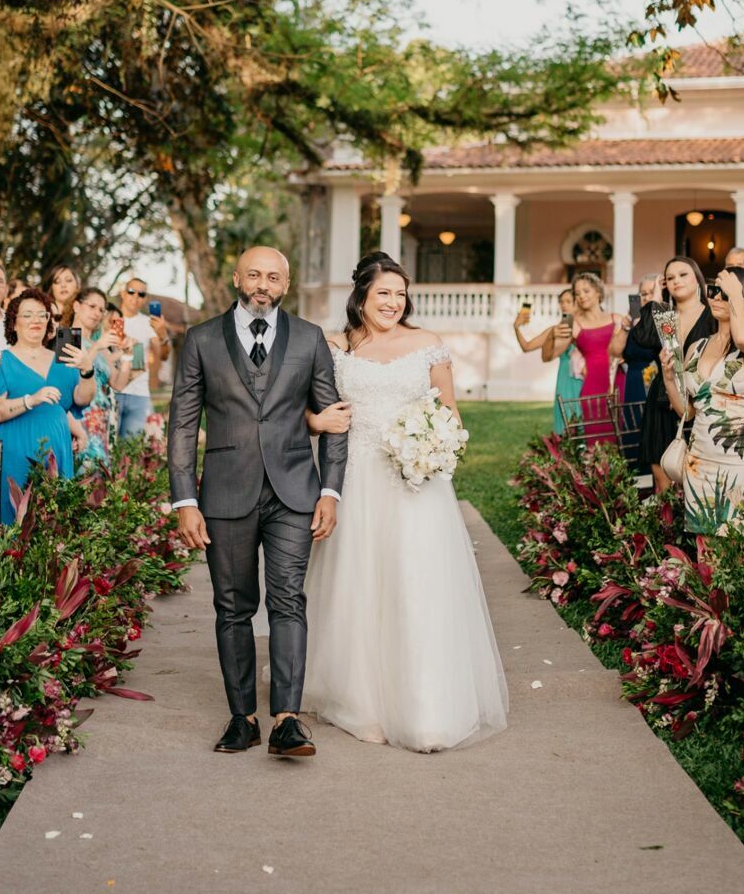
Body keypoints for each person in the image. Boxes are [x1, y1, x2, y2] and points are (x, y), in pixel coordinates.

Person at [302, 253, 507, 752]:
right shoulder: (333, 345)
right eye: (383, 293)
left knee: (418, 583)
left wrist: (434, 445)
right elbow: (303, 407)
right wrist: (314, 422)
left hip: (417, 482)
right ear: (362, 297)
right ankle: (361, 702)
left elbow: (450, 413)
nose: (393, 303)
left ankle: (427, 708)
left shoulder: (427, 345)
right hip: (356, 479)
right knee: (361, 584)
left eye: (400, 294)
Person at [168, 246, 346, 759]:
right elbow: (183, 424)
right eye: (254, 274)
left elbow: (333, 418)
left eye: (273, 276)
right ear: (236, 278)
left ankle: (286, 720)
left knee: (288, 601)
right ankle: (242, 717)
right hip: (224, 492)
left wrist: (330, 490)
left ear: (285, 285)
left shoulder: (310, 339)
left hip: (294, 491)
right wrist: (184, 499)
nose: (262, 283)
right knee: (233, 606)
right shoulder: (201, 339)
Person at [666, 266, 744, 534]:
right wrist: (669, 377)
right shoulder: (698, 347)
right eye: (714, 291)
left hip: (742, 463)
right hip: (699, 462)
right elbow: (688, 412)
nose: (716, 298)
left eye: (723, 293)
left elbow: (743, 338)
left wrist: (735, 295)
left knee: (738, 557)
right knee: (706, 558)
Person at [0, 288, 90, 516]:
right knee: (15, 523)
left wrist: (87, 370)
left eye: (42, 314)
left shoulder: (63, 359)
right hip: (16, 451)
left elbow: (79, 400)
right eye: (27, 315)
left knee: (55, 528)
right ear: (13, 323)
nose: (36, 320)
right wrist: (31, 400)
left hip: (57, 451)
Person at [626, 257, 716, 488]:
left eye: (683, 275)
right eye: (669, 278)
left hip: (702, 402)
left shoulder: (713, 316)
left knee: (699, 480)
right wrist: (655, 301)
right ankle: (665, 525)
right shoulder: (665, 316)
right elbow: (642, 338)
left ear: (697, 279)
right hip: (661, 401)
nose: (676, 281)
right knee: (662, 480)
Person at [544, 272, 626, 444]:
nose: (581, 296)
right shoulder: (574, 324)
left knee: (622, 432)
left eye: (586, 291)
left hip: (617, 382)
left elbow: (630, 350)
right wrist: (551, 336)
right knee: (594, 437)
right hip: (592, 386)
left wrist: (626, 355)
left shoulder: (617, 319)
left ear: (598, 291)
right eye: (577, 293)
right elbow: (548, 355)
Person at [69, 287, 132, 472]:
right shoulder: (68, 337)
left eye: (101, 310)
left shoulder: (102, 346)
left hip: (102, 423)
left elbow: (117, 383)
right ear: (76, 306)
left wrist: (127, 357)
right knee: (81, 479)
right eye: (92, 306)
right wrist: (97, 346)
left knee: (99, 483)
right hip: (80, 420)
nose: (97, 313)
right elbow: (68, 375)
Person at [514, 289, 582, 435]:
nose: (564, 305)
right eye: (561, 302)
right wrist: (516, 327)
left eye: (568, 301)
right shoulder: (554, 330)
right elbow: (526, 347)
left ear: (577, 303)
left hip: (584, 378)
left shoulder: (587, 327)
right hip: (565, 379)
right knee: (565, 421)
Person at [114, 278, 163, 441]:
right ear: (123, 293)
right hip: (113, 391)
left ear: (145, 299)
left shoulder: (148, 323)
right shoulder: (110, 319)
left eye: (141, 294)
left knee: (131, 450)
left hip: (139, 394)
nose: (136, 297)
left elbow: (163, 354)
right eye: (131, 292)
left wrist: (163, 333)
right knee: (108, 447)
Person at [44, 263, 82, 329]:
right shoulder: (42, 313)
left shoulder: (84, 313)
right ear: (51, 288)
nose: (63, 285)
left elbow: (74, 339)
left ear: (77, 285)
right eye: (57, 281)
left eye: (68, 280)